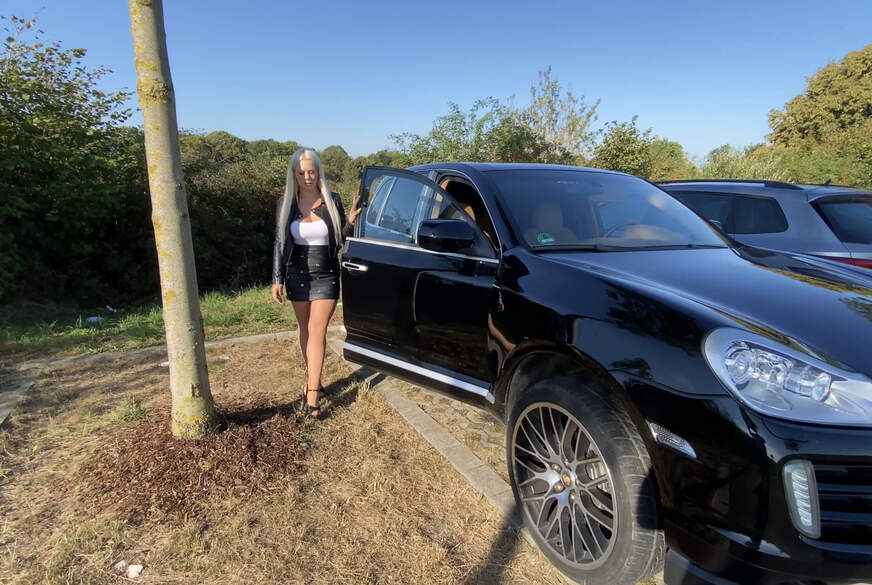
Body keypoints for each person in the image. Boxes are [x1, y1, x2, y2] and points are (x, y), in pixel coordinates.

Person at [271, 148, 361, 418]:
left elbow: (340, 240)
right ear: (294, 175)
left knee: (317, 330)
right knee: (305, 330)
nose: (307, 177)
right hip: (296, 273)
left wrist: (349, 223)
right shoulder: (285, 203)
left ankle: (312, 395)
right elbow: (279, 242)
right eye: (302, 173)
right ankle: (315, 380)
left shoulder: (332, 200)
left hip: (326, 273)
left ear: (319, 172)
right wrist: (277, 278)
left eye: (312, 171)